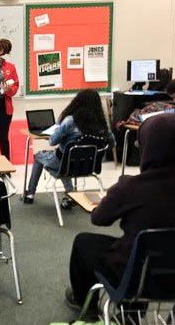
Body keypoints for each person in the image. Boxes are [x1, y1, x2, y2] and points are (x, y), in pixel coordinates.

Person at [65, 113, 175, 317]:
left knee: (84, 243)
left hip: (136, 278)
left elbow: (99, 219)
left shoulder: (130, 187)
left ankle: (85, 304)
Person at [24, 89, 115, 204]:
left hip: (65, 165)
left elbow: (52, 142)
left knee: (39, 156)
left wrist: (57, 132)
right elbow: (112, 144)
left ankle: (30, 194)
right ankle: (70, 195)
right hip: (89, 167)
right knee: (68, 159)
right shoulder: (102, 124)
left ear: (77, 102)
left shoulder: (70, 121)